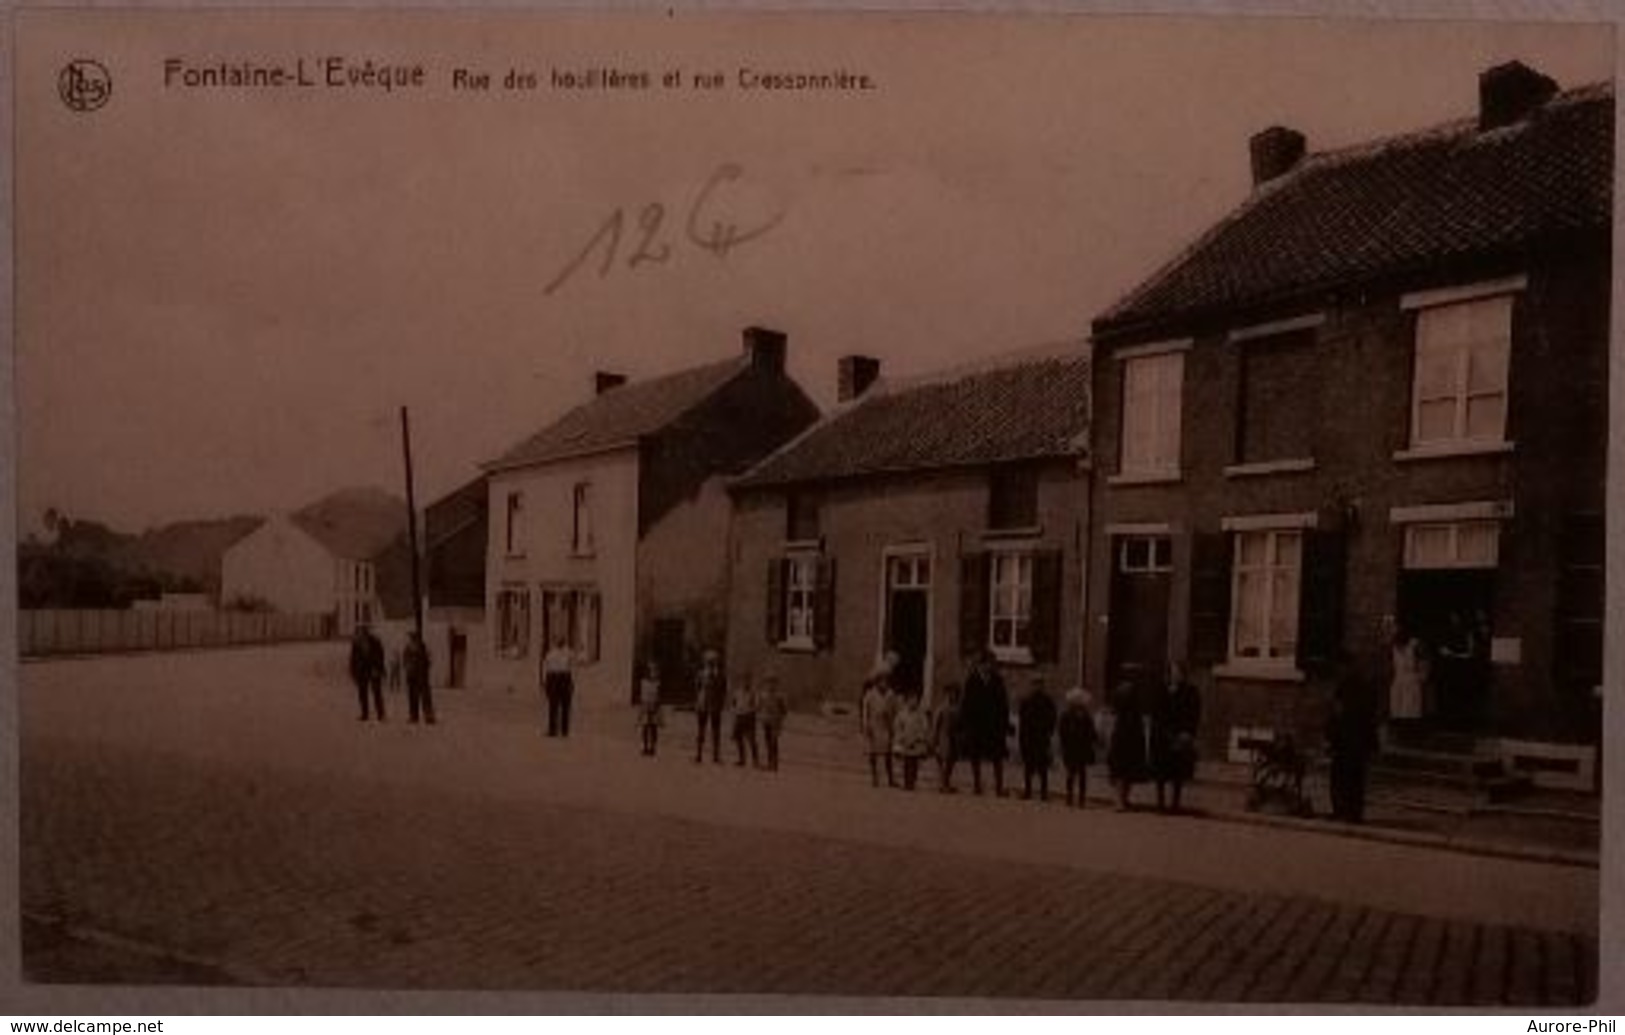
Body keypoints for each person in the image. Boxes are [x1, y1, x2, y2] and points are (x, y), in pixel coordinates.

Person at [1327, 657, 1378, 823]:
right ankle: (1354, 813)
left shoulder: (1343, 689)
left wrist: (1330, 738)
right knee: (1356, 779)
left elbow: (1336, 716)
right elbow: (1371, 718)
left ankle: (1341, 810)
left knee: (1340, 778)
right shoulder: (1366, 688)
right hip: (1359, 742)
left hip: (1345, 742)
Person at [1149, 662, 1201, 813]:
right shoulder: (1160, 690)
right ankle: (1160, 803)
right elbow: (1156, 713)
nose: (1176, 676)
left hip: (1181, 735)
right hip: (1162, 736)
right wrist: (1162, 731)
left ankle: (1175, 804)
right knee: (1161, 772)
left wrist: (1188, 732)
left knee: (1178, 771)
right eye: (1173, 673)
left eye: (1178, 673)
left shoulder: (1191, 691)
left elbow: (1194, 714)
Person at [960, 650, 1010, 796]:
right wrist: (966, 724)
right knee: (975, 756)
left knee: (997, 757)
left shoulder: (997, 680)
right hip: (976, 725)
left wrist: (1004, 723)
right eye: (987, 663)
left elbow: (1003, 704)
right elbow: (966, 704)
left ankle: (999, 787)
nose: (989, 666)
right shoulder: (972, 681)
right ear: (981, 665)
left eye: (991, 664)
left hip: (994, 725)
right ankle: (977, 785)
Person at [1106, 680, 1147, 811]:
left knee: (1122, 772)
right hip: (1126, 741)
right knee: (1124, 772)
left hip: (1125, 741)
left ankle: (1121, 800)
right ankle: (1121, 800)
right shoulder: (1131, 713)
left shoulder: (1125, 714)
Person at [1018, 677, 1058, 802]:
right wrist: (1022, 737)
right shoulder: (1026, 701)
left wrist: (1049, 732)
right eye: (1035, 684)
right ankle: (1028, 791)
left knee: (1042, 767)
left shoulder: (1047, 701)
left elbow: (1052, 717)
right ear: (1032, 685)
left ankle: (1043, 793)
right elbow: (1022, 720)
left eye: (1039, 684)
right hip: (1029, 737)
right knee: (1028, 766)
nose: (1037, 687)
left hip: (1041, 737)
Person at [1057, 688, 1098, 808]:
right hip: (1076, 748)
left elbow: (1062, 731)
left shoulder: (1080, 716)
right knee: (1075, 774)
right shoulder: (1076, 715)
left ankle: (1076, 798)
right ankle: (1075, 798)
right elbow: (1062, 731)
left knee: (1076, 774)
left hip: (1076, 748)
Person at [860, 670, 897, 788]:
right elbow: (865, 711)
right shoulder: (870, 695)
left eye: (886, 682)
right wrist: (866, 725)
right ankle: (875, 777)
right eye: (882, 682)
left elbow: (894, 711)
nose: (884, 684)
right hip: (873, 725)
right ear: (877, 682)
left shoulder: (891, 695)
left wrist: (893, 727)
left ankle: (891, 779)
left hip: (886, 725)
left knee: (888, 753)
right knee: (873, 753)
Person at [892, 692, 932, 791]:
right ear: (907, 701)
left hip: (916, 743)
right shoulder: (902, 714)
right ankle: (907, 782)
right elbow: (898, 727)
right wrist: (901, 739)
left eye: (915, 700)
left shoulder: (920, 715)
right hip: (905, 742)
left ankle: (912, 781)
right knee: (907, 763)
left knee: (914, 764)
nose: (913, 702)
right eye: (911, 700)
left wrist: (919, 738)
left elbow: (924, 728)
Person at [1388, 623, 1427, 723]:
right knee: (1397, 709)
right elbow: (1390, 664)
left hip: (1412, 680)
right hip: (1398, 680)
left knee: (1410, 709)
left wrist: (1422, 677)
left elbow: (1423, 661)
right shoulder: (1393, 646)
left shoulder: (1416, 644)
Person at [694, 649, 727, 764]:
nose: (711, 664)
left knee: (716, 731)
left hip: (715, 706)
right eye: (709, 661)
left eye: (713, 661)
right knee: (701, 730)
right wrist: (698, 701)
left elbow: (723, 690)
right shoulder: (701, 674)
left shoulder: (720, 675)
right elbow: (697, 688)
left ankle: (716, 755)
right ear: (705, 662)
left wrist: (721, 703)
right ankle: (698, 753)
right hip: (703, 704)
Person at [348, 624, 385, 722]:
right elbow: (353, 660)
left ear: (367, 633)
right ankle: (365, 714)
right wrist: (353, 672)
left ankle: (380, 714)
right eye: (360, 632)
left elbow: (380, 656)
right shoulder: (356, 644)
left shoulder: (375, 642)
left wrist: (378, 669)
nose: (361, 634)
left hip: (374, 670)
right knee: (362, 694)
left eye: (363, 632)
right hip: (361, 672)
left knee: (377, 692)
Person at [540, 634, 575, 737]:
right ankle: (560, 730)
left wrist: (544, 682)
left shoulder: (554, 653)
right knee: (558, 705)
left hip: (558, 678)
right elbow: (546, 668)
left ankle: (558, 730)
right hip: (559, 678)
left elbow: (546, 668)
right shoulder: (562, 653)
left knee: (559, 705)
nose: (559, 644)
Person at [932, 683, 963, 793]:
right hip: (943, 737)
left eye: (954, 693)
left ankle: (946, 782)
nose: (952, 695)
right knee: (943, 762)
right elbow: (936, 725)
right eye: (950, 693)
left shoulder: (958, 708)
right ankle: (942, 784)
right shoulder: (942, 708)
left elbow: (960, 724)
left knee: (951, 762)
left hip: (954, 738)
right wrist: (934, 741)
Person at [403, 630, 435, 725]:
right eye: (411, 637)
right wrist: (407, 667)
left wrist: (424, 670)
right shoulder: (407, 648)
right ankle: (414, 716)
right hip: (411, 676)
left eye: (413, 637)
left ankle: (428, 716)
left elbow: (428, 661)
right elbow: (404, 660)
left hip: (422, 676)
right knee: (412, 697)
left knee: (425, 697)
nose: (412, 639)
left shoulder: (422, 648)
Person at [758, 676, 788, 771]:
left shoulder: (779, 696)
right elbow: (759, 707)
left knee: (773, 742)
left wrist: (780, 720)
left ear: (776, 684)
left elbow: (784, 711)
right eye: (768, 683)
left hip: (775, 722)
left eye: (772, 683)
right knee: (768, 742)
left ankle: (774, 764)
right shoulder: (763, 695)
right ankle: (770, 763)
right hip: (766, 721)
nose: (770, 685)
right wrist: (761, 715)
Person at [730, 672, 760, 768]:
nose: (745, 682)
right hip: (739, 717)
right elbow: (733, 703)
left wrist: (749, 710)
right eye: (743, 680)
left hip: (749, 717)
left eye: (747, 680)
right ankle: (742, 759)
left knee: (751, 740)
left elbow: (757, 706)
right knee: (738, 738)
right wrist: (735, 710)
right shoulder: (737, 692)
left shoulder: (753, 692)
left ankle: (755, 761)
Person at [637, 662, 663, 757]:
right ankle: (645, 746)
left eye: (654, 670)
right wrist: (641, 708)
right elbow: (642, 695)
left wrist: (658, 707)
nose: (652, 673)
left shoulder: (657, 683)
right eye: (650, 670)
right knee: (645, 727)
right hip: (645, 706)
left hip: (654, 707)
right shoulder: (643, 682)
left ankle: (653, 747)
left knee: (653, 728)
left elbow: (659, 696)